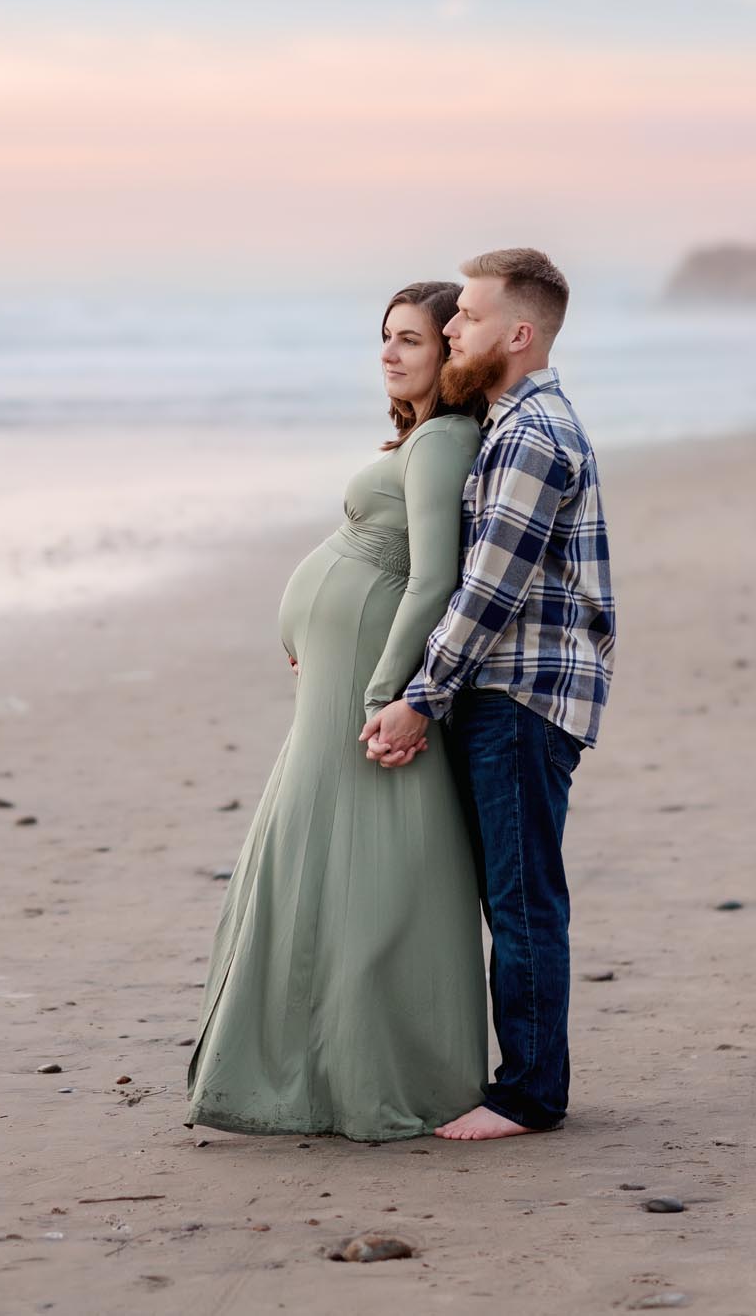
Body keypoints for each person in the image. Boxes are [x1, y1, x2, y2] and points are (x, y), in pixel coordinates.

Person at [182, 282, 490, 1141]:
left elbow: (433, 578)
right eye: (385, 337)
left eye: (412, 340)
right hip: (341, 662)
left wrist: (385, 690)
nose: (390, 353)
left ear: (450, 352)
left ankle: (348, 1067)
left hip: (366, 672)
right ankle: (304, 1060)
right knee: (314, 838)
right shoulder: (424, 436)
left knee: (349, 845)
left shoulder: (443, 440)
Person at [361, 247, 616, 1141]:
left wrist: (418, 697)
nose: (452, 327)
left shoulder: (534, 437)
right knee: (515, 892)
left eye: (466, 317)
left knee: (522, 897)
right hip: (507, 690)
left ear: (517, 332)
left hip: (519, 695)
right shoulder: (510, 425)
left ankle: (530, 1092)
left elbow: (488, 592)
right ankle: (523, 1078)